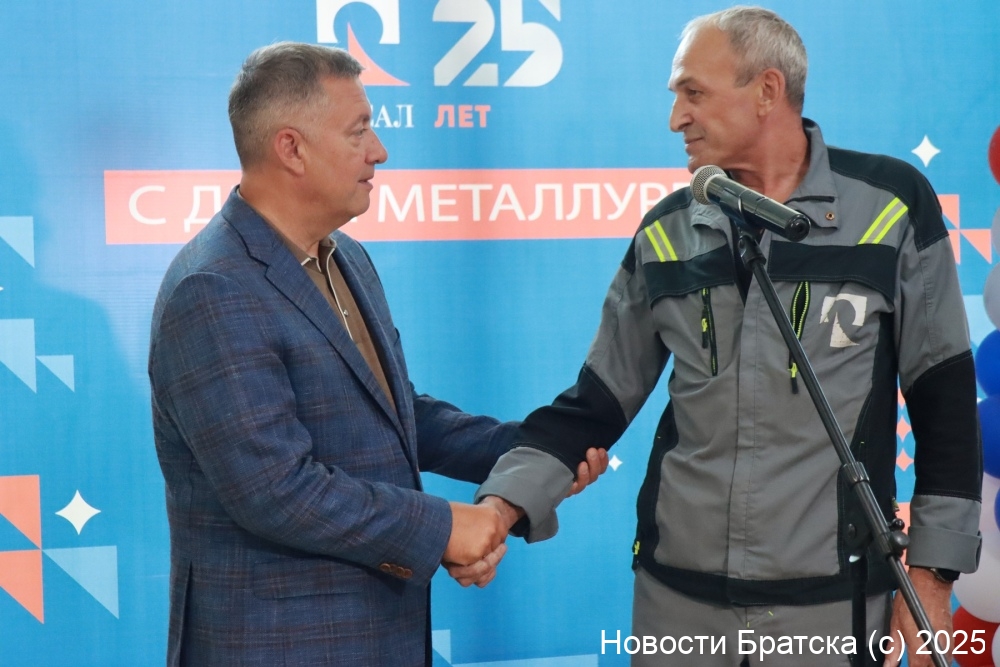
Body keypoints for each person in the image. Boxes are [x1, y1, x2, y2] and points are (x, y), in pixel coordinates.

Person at [475, 7, 982, 667]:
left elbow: (945, 403)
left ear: (768, 91)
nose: (675, 118)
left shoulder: (891, 205)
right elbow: (594, 404)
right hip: (676, 603)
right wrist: (502, 505)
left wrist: (933, 575)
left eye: (693, 92)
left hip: (833, 605)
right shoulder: (666, 231)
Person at [148, 42, 605, 666]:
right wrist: (446, 528)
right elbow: (275, 490)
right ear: (291, 148)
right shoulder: (214, 287)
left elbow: (393, 415)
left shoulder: (346, 257)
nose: (379, 150)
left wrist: (528, 450)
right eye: (358, 130)